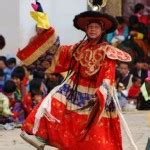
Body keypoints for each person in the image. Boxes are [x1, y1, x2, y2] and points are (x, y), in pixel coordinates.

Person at [19, 5, 136, 150]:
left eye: (96, 27)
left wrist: (102, 92)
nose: (92, 29)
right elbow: (56, 53)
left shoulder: (107, 51)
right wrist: (45, 26)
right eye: (90, 27)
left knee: (94, 130)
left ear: (102, 30)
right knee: (51, 101)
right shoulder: (77, 48)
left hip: (97, 91)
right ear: (86, 29)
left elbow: (108, 73)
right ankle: (40, 135)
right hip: (73, 88)